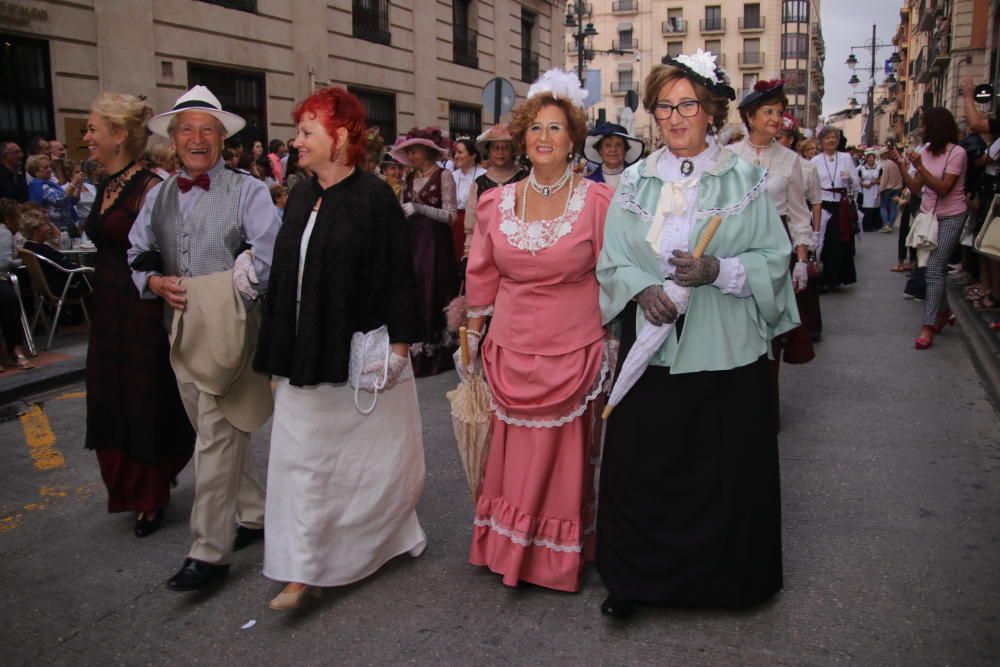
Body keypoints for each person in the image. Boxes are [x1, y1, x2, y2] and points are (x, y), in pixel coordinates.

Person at [595, 51, 799, 619]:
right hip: (653, 347)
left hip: (725, 348)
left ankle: (726, 583)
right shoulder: (635, 181)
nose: (675, 117)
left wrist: (721, 271)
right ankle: (634, 580)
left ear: (711, 111)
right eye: (664, 107)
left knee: (721, 471)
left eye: (687, 104)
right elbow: (612, 259)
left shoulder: (747, 179)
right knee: (643, 467)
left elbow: (774, 260)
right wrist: (640, 289)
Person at [254, 87, 426, 610]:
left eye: (308, 131)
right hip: (303, 354)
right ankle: (302, 569)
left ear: (342, 136)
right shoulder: (303, 193)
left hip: (358, 356)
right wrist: (275, 351)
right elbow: (287, 276)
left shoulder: (375, 197)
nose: (297, 141)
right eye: (299, 130)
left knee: (368, 465)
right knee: (300, 464)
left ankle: (383, 537)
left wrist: (398, 350)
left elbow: (398, 275)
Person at [462, 69, 612, 592]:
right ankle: (509, 547)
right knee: (512, 456)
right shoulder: (494, 203)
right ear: (522, 139)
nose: (543, 138)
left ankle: (554, 556)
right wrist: (473, 339)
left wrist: (613, 341)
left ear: (573, 139)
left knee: (564, 459)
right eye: (534, 129)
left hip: (574, 348)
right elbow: (481, 274)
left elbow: (614, 274)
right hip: (510, 347)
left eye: (555, 128)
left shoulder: (596, 203)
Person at [128, 85, 280, 592]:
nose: (197, 138)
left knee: (215, 437)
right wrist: (153, 282)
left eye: (207, 130)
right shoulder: (159, 194)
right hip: (180, 332)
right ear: (172, 139)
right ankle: (254, 513)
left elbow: (270, 257)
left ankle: (208, 553)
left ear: (222, 139)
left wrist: (233, 287)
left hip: (231, 330)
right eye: (187, 129)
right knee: (217, 430)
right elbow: (138, 252)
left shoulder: (249, 190)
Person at [80, 92, 194, 535]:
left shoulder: (152, 185)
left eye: (93, 128)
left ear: (119, 135)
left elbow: (174, 245)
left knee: (144, 396)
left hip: (140, 307)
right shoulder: (105, 182)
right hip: (107, 306)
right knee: (110, 394)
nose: (86, 136)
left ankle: (151, 492)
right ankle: (128, 488)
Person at [731, 80, 815, 429]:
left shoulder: (792, 161)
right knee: (735, 328)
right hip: (734, 244)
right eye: (769, 111)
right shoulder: (729, 156)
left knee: (769, 333)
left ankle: (765, 411)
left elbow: (798, 214)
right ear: (750, 116)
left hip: (775, 248)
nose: (777, 118)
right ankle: (732, 406)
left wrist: (802, 261)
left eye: (780, 112)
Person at [890, 108, 968, 349]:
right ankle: (944, 312)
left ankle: (928, 325)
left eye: (924, 125)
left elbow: (943, 188)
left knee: (933, 267)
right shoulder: (924, 151)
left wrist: (920, 167)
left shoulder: (958, 153)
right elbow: (915, 188)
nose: (921, 129)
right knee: (933, 268)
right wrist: (903, 165)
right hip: (928, 216)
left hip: (952, 215)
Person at [390, 126, 459, 377]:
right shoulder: (407, 178)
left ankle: (436, 353)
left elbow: (451, 215)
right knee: (414, 290)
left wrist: (421, 209)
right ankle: (414, 351)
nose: (411, 155)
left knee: (433, 290)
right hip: (412, 242)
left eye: (415, 151)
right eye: (408, 151)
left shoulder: (444, 176)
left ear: (428, 152)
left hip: (435, 246)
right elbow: (401, 210)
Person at [464, 125, 525, 255]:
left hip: (518, 248)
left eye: (505, 148)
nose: (500, 152)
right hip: (486, 248)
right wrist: (467, 253)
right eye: (496, 148)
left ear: (513, 151)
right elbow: (472, 226)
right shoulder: (479, 183)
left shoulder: (524, 179)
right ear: (489, 151)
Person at [811, 127, 859, 290]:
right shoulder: (815, 161)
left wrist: (849, 180)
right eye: (827, 138)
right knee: (822, 241)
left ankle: (836, 278)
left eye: (834, 138)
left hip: (840, 202)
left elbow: (855, 184)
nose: (831, 141)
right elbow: (811, 184)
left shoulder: (846, 158)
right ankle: (821, 278)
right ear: (822, 141)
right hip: (823, 202)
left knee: (839, 242)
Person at [0, 198, 33, 371]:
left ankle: (15, 348)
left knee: (7, 298)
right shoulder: (4, 232)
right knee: (8, 300)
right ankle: (16, 350)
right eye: (17, 218)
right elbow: (4, 263)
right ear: (7, 218)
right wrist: (25, 260)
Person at [448, 137, 485, 263]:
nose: (456, 156)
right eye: (455, 153)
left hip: (475, 224)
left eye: (460, 152)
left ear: (473, 155)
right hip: (453, 224)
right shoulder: (451, 176)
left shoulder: (483, 175)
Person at [27, 154, 80, 236]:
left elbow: (73, 200)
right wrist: (74, 182)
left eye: (49, 167)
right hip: (55, 229)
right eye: (45, 168)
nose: (49, 170)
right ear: (36, 171)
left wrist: (79, 184)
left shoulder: (52, 184)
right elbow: (61, 200)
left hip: (66, 226)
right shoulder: (38, 185)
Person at [583, 121, 644, 190]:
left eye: (618, 145)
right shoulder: (589, 183)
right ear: (600, 151)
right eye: (608, 145)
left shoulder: (638, 179)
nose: (613, 149)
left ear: (625, 150)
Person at [856, 151, 883, 232]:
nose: (870, 159)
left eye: (872, 157)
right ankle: (865, 226)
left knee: (874, 206)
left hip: (875, 189)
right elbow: (859, 180)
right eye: (869, 157)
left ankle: (874, 224)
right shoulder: (862, 168)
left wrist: (872, 183)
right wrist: (864, 184)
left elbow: (881, 180)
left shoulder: (879, 168)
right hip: (865, 191)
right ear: (866, 158)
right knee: (865, 206)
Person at [879, 148, 903, 234]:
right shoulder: (900, 162)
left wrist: (880, 189)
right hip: (897, 188)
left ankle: (885, 225)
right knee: (893, 207)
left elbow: (885, 178)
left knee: (883, 207)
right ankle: (891, 225)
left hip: (887, 188)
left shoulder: (887, 164)